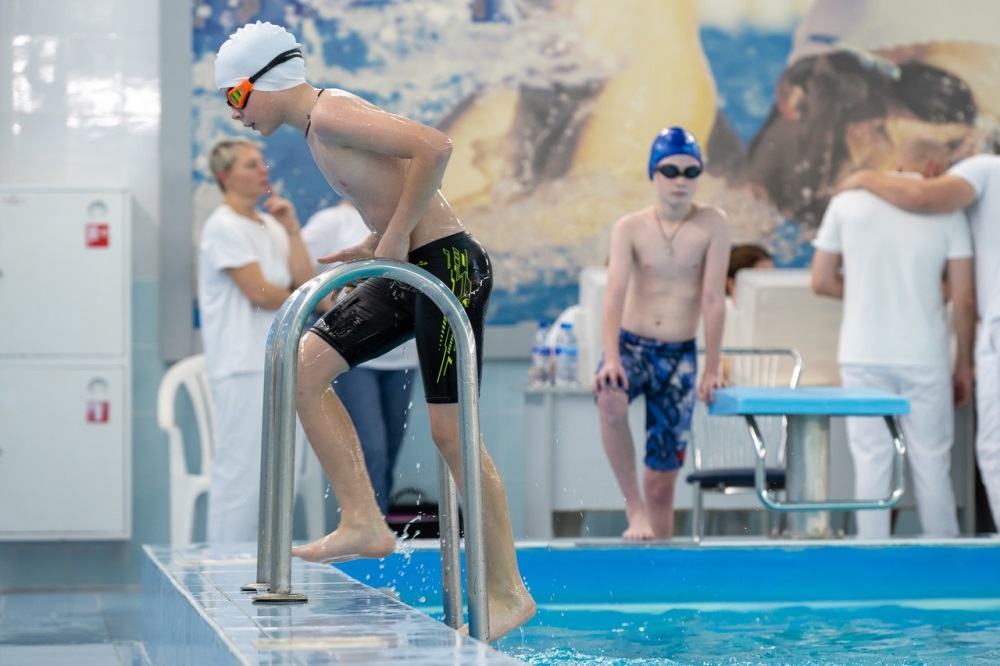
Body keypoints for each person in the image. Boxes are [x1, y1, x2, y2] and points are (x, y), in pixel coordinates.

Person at [214, 21, 535, 639]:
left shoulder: (330, 113)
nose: (236, 115)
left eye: (235, 97)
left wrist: (389, 242)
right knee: (301, 368)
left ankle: (507, 590)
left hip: (449, 267)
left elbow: (434, 146)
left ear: (265, 82)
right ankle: (364, 518)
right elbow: (397, 191)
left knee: (452, 435)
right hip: (409, 264)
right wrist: (378, 241)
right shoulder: (318, 128)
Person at [813, 138, 975, 539]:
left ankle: (872, 559)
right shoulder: (948, 212)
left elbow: (821, 280)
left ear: (899, 163)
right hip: (925, 356)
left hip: (862, 353)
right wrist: (965, 364)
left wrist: (870, 290)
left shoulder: (847, 203)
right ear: (935, 168)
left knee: (871, 461)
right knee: (932, 462)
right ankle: (945, 563)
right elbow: (964, 296)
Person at [593, 127, 730, 541]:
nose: (680, 180)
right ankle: (634, 512)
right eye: (670, 170)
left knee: (662, 484)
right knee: (610, 398)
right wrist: (612, 357)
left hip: (680, 357)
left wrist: (711, 369)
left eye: (691, 172)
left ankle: (662, 565)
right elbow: (613, 297)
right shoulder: (630, 227)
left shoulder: (713, 224)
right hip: (632, 347)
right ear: (654, 173)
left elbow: (713, 299)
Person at [197, 137, 316, 543]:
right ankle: (222, 568)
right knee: (242, 473)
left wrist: (293, 228)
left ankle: (264, 568)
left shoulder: (269, 226)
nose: (263, 171)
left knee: (286, 470)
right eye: (251, 165)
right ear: (225, 176)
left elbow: (303, 282)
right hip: (241, 365)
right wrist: (309, 303)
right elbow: (260, 293)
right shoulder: (222, 226)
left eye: (262, 163)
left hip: (280, 363)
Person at [301, 201, 419, 516]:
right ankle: (367, 529)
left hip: (402, 357)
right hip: (354, 360)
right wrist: (341, 315)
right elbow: (300, 271)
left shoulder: (400, 216)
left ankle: (374, 528)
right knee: (372, 450)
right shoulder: (330, 222)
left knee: (390, 453)